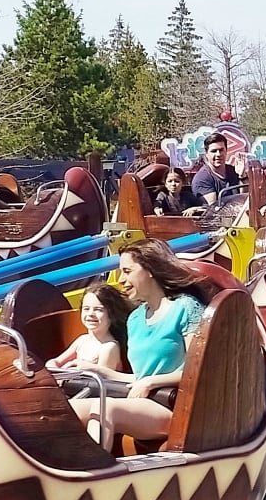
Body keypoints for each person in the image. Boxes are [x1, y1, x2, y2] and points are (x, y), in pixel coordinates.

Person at [68, 240, 211, 448]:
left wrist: (152, 382)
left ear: (150, 270)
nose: (121, 280)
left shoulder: (185, 307)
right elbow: (139, 378)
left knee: (106, 409)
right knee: (63, 409)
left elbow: (197, 370)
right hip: (140, 401)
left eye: (127, 271)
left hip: (174, 407)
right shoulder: (135, 319)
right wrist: (94, 369)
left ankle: (94, 475)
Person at [47, 283, 130, 375]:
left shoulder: (109, 348)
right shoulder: (82, 340)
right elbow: (56, 361)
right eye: (86, 309)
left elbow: (103, 383)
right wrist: (53, 366)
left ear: (112, 314)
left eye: (98, 309)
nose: (91, 314)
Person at [190, 132, 243, 205]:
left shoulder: (233, 171)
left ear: (226, 151)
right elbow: (213, 209)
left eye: (221, 150)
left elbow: (245, 200)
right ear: (206, 154)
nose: (218, 154)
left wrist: (242, 176)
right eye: (214, 151)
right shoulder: (202, 178)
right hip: (219, 215)